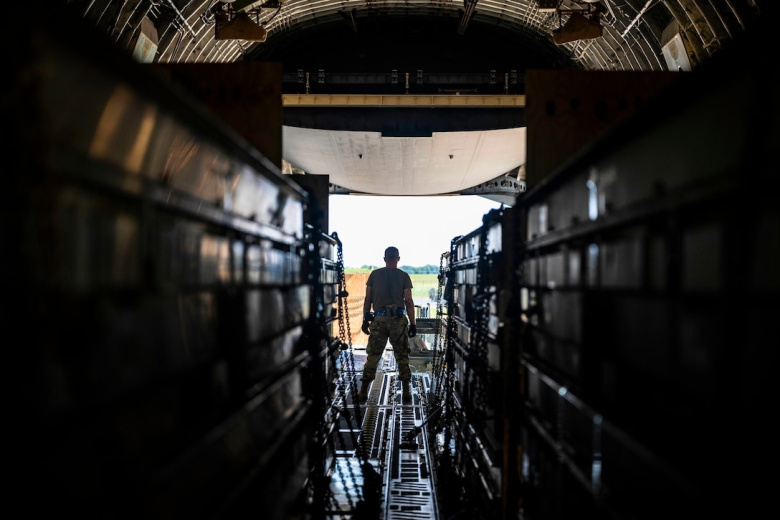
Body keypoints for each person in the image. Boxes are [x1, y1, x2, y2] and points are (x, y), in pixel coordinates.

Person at [358, 246, 417, 404]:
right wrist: (413, 323)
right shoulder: (404, 276)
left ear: (384, 259)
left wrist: (365, 319)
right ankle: (406, 392)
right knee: (402, 356)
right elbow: (409, 301)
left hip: (379, 321)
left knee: (373, 355)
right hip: (398, 321)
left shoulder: (374, 275)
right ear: (398, 259)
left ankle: (363, 391)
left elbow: (368, 299)